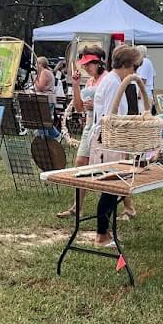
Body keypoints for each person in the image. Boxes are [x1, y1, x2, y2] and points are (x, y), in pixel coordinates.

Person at [89, 44, 145, 247]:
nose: (135, 72)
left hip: (108, 140)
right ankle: (101, 234)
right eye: (135, 67)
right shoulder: (113, 83)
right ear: (127, 65)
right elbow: (111, 117)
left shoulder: (112, 80)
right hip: (108, 141)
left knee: (114, 187)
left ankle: (105, 231)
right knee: (111, 187)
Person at [57, 48, 105, 218]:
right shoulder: (90, 82)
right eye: (84, 65)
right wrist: (76, 85)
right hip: (90, 126)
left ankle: (127, 206)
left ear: (98, 62)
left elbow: (116, 105)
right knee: (80, 163)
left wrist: (97, 106)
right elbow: (79, 107)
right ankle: (77, 207)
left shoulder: (108, 80)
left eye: (89, 64)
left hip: (104, 127)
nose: (86, 68)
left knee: (108, 168)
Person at [32, 56, 61, 140]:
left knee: (42, 121)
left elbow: (40, 87)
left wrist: (35, 78)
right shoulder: (48, 72)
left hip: (45, 100)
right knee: (45, 121)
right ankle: (53, 136)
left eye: (36, 63)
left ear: (40, 64)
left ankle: (44, 138)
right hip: (47, 99)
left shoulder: (44, 72)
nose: (35, 65)